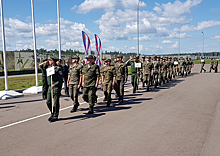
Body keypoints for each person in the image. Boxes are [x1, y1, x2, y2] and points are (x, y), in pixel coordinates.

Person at [46, 56, 63, 122]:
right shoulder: (49, 68)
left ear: (53, 61)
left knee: (55, 102)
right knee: (48, 102)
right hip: (50, 87)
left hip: (55, 87)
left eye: (50, 60)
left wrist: (55, 84)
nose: (49, 61)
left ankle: (55, 116)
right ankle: (52, 113)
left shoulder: (58, 69)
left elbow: (60, 79)